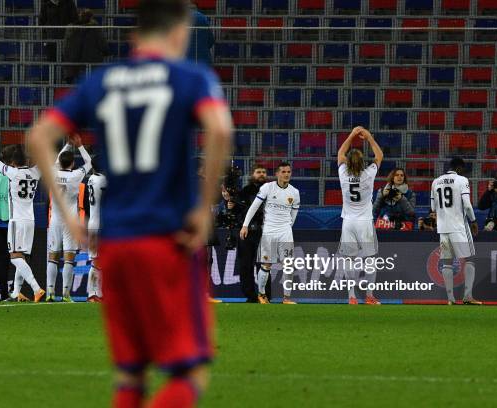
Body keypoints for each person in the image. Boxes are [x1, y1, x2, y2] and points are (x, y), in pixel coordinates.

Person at [28, 0, 232, 405]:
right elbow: (219, 129)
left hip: (116, 246)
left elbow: (38, 136)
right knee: (188, 375)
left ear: (134, 38)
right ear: (180, 34)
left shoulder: (103, 81)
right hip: (166, 239)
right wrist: (202, 208)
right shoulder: (189, 76)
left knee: (129, 376)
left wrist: (68, 215)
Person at [0, 135, 45, 302]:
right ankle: (16, 292)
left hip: (16, 221)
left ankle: (36, 288)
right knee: (22, 257)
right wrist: (66, 145)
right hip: (31, 221)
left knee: (14, 257)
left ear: (12, 162)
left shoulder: (12, 173)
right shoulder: (36, 172)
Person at [240, 162, 300, 305]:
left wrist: (287, 227)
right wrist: (245, 225)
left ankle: (286, 298)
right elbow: (254, 207)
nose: (286, 174)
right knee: (266, 265)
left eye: (289, 172)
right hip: (269, 231)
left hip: (285, 232)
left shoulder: (294, 192)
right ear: (278, 173)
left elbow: (294, 214)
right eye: (283, 172)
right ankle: (262, 295)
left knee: (288, 265)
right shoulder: (267, 187)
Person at [337, 127, 383, 305]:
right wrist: (369, 137)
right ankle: (369, 296)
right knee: (370, 259)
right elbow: (379, 156)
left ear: (348, 161)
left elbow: (341, 153)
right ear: (363, 162)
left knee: (349, 259)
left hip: (348, 222)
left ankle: (351, 296)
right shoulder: (368, 174)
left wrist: (352, 134)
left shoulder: (343, 174)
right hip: (364, 222)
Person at [46, 134, 92, 302]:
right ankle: (65, 294)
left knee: (53, 256)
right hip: (70, 222)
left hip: (55, 220)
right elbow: (89, 163)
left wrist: (67, 145)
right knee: (69, 258)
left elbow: (57, 160)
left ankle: (50, 292)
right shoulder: (75, 176)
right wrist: (79, 146)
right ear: (72, 163)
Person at [431, 157, 481, 305]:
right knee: (470, 259)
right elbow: (467, 204)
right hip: (459, 226)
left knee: (447, 263)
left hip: (443, 228)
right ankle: (468, 296)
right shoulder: (462, 180)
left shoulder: (436, 181)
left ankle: (450, 299)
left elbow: (433, 208)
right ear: (459, 168)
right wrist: (473, 221)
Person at [231, 164, 269, 302]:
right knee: (246, 265)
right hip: (246, 233)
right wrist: (232, 206)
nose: (261, 174)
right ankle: (250, 295)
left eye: (264, 172)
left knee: (264, 264)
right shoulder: (244, 192)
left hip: (264, 232)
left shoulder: (271, 190)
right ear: (252, 174)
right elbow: (236, 213)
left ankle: (265, 295)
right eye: (258, 172)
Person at [0, 144, 17, 300]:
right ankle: (15, 290)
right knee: (19, 257)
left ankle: (3, 294)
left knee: (3, 260)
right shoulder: (12, 174)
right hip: (12, 221)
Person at [62, 8, 110, 83]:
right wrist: (107, 52)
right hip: (92, 65)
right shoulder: (95, 29)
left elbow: (65, 48)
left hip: (74, 66)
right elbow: (102, 44)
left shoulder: (70, 30)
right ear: (91, 18)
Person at [86, 156, 106, 302]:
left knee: (97, 260)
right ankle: (93, 294)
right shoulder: (103, 180)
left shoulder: (91, 178)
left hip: (93, 223)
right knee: (97, 261)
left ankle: (97, 293)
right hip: (100, 225)